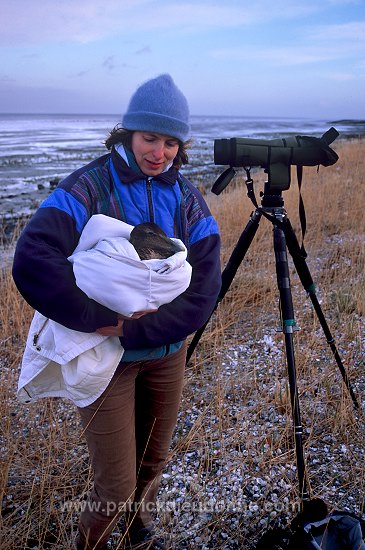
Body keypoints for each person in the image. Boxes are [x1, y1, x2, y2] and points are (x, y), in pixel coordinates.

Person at [12, 74, 221, 549]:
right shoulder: (91, 183)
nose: (159, 153)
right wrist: (98, 320)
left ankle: (137, 528)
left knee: (155, 459)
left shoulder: (187, 196)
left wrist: (158, 329)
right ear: (128, 133)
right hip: (109, 359)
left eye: (171, 142)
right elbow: (32, 255)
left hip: (167, 354)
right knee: (115, 486)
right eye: (150, 138)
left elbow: (208, 278)